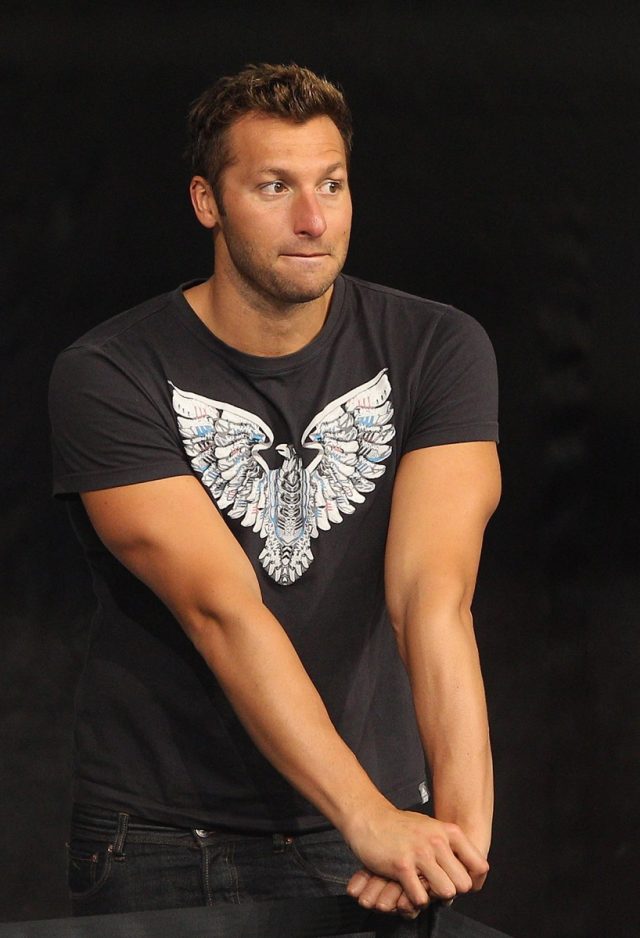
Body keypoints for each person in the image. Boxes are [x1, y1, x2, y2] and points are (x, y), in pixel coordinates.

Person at [49, 63, 500, 928]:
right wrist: (369, 817)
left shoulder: (438, 348)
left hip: (371, 826)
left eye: (331, 183)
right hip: (163, 838)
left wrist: (455, 829)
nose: (313, 218)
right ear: (206, 202)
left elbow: (431, 596)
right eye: (274, 186)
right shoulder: (111, 374)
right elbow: (225, 611)